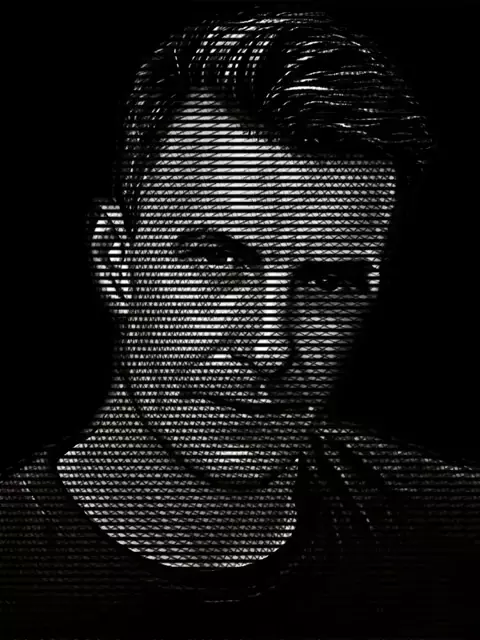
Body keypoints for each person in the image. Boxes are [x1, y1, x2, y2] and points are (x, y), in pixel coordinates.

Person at [1, 8, 479, 637]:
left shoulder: (459, 534)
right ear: (117, 262)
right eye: (219, 260)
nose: (270, 346)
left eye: (328, 282)